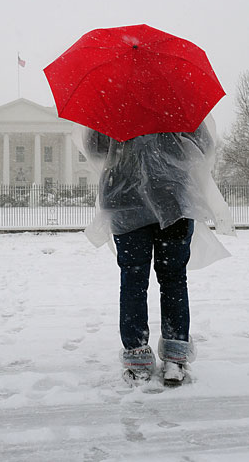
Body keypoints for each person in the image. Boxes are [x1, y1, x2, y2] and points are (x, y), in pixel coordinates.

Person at [80, 120, 234, 386]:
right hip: (172, 197)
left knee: (133, 281)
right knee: (173, 279)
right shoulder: (175, 99)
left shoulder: (113, 103)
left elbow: (94, 148)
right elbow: (204, 146)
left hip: (124, 200)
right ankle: (175, 359)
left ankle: (138, 360)